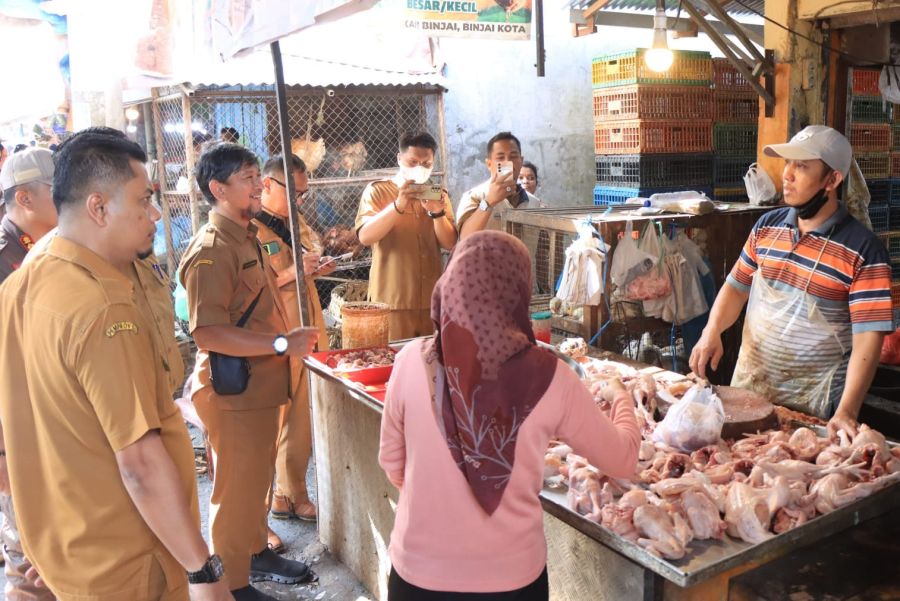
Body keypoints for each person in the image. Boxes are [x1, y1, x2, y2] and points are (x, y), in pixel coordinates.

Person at [0, 131, 233, 600]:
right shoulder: (103, 308)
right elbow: (140, 465)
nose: (156, 214)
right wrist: (202, 571)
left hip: (73, 542)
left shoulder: (26, 279)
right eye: (143, 200)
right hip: (129, 555)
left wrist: (49, 539)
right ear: (99, 208)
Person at [379, 230, 640, 600]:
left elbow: (393, 466)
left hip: (416, 577)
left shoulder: (409, 361)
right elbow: (623, 460)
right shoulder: (552, 377)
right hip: (511, 581)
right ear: (517, 292)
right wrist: (620, 397)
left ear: (450, 286)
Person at [178, 143, 319, 601]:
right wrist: (280, 344)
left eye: (258, 175)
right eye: (248, 178)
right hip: (232, 389)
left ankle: (256, 552)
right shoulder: (212, 249)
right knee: (236, 490)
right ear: (218, 189)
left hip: (259, 385)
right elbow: (207, 331)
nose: (259, 185)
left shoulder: (247, 236)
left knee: (256, 480)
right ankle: (233, 583)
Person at [689, 125, 894, 439]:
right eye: (788, 163)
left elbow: (869, 339)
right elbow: (736, 287)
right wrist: (711, 331)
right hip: (751, 391)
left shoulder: (864, 251)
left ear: (832, 180)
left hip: (813, 407)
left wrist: (847, 411)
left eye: (802, 166)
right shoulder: (766, 228)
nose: (787, 174)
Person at [254, 154, 332, 546]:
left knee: (301, 416)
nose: (299, 201)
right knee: (269, 423)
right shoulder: (250, 228)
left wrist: (317, 266)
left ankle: (292, 493)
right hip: (273, 336)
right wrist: (294, 271)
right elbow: (255, 286)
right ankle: (259, 513)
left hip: (305, 330)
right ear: (267, 184)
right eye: (293, 192)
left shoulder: (293, 223)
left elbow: (302, 265)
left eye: (303, 193)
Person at [0, 146, 58, 601]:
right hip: (15, 441)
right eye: (58, 190)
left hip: (50, 427)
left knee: (61, 550)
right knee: (29, 558)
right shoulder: (5, 257)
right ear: (24, 198)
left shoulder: (50, 250)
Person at [355, 132, 457, 340]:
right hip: (391, 301)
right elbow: (365, 237)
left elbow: (450, 243)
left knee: (431, 356)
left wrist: (437, 213)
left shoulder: (438, 195)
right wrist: (397, 205)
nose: (420, 168)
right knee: (393, 355)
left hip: (431, 300)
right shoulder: (378, 191)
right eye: (413, 162)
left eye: (426, 164)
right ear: (399, 158)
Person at [457, 132, 545, 240]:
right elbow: (464, 238)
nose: (507, 162)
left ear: (521, 161)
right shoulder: (474, 196)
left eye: (513, 157)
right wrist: (489, 202)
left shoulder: (534, 202)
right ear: (489, 164)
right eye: (500, 157)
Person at [0, 148, 58, 280]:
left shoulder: (62, 239)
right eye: (59, 190)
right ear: (24, 199)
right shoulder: (3, 259)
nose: (71, 197)